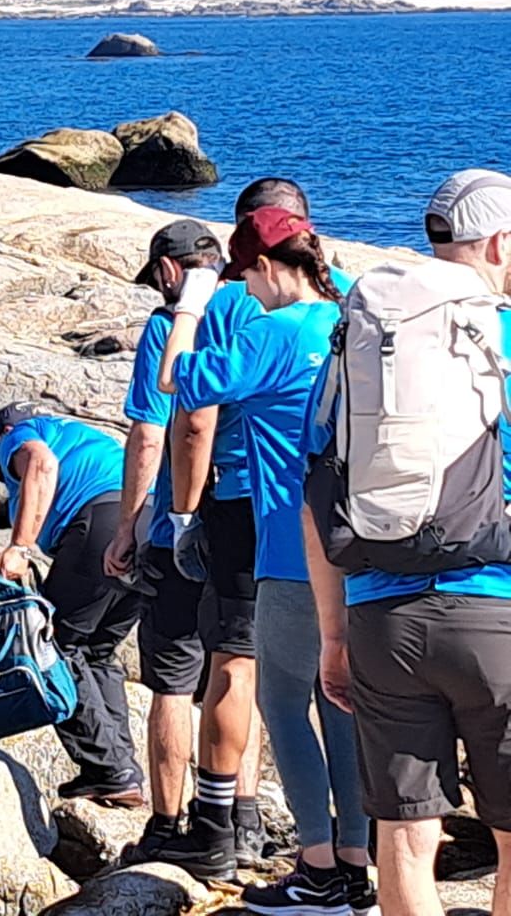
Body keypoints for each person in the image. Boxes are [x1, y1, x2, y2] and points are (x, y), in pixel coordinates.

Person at [128, 180, 350, 879]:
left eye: (245, 277)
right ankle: (354, 851)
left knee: (273, 697)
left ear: (262, 266)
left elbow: (182, 392)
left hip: (279, 536)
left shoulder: (272, 331)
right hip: (352, 538)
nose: (243, 292)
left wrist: (191, 307)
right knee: (340, 701)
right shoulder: (346, 314)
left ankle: (300, 859)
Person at [306, 170, 511, 916]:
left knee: (405, 831)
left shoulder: (362, 346)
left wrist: (334, 638)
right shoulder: (503, 334)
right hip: (497, 609)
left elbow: (316, 495)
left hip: (379, 618)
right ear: (499, 242)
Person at [108, 217, 266, 873]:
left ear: (172, 270)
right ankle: (245, 819)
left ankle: (170, 822)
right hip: (259, 511)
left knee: (172, 676)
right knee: (239, 668)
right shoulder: (264, 307)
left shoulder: (170, 324)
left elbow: (153, 430)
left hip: (192, 512)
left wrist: (133, 523)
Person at [0, 402, 142, 806]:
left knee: (50, 645)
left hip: (100, 522)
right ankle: (124, 770)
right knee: (98, 652)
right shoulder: (82, 435)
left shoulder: (19, 435)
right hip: (147, 525)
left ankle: (107, 769)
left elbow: (40, 465)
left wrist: (19, 547)